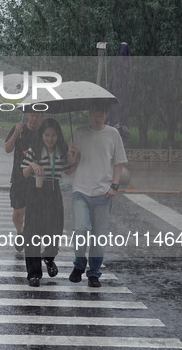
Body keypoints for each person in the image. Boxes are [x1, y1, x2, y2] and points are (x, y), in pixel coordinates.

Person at [67, 102, 128, 287]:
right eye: (95, 113)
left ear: (106, 115)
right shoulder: (78, 132)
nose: (98, 116)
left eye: (101, 113)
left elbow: (118, 163)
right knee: (80, 230)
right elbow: (70, 165)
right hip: (81, 190)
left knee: (98, 237)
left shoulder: (113, 134)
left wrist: (114, 186)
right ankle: (79, 265)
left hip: (103, 194)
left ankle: (94, 273)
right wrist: (73, 154)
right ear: (90, 114)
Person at [21, 118, 75, 287]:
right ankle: (34, 274)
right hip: (36, 192)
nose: (50, 139)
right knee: (33, 234)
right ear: (42, 135)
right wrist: (32, 166)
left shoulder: (62, 149)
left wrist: (75, 155)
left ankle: (49, 257)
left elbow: (69, 170)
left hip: (54, 192)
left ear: (58, 135)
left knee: (55, 231)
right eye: (47, 135)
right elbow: (24, 172)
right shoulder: (35, 149)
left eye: (53, 135)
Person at [4, 112, 44, 251]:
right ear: (27, 115)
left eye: (37, 115)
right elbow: (7, 149)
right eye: (32, 115)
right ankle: (20, 231)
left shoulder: (44, 132)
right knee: (18, 210)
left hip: (37, 178)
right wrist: (15, 133)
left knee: (34, 210)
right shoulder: (19, 130)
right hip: (18, 177)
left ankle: (30, 234)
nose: (34, 118)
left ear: (42, 116)